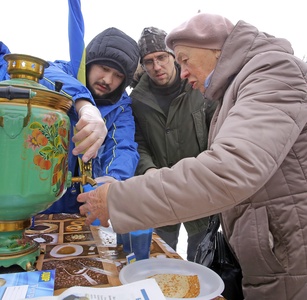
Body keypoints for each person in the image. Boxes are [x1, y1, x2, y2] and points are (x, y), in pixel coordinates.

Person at [77, 13, 307, 299]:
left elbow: (230, 168)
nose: (181, 71)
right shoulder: (230, 90)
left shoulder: (273, 72)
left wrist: (117, 198)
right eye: (151, 61)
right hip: (262, 242)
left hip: (287, 248)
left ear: (216, 48)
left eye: (183, 59)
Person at [5, 27, 138, 213]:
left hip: (82, 201)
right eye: (105, 68)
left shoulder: (121, 105)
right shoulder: (59, 73)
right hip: (33, 194)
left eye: (118, 76)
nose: (108, 79)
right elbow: (46, 75)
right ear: (89, 63)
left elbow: (123, 146)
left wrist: (114, 180)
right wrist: (85, 105)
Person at [130, 27, 216, 261]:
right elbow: (137, 141)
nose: (156, 66)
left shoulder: (199, 86)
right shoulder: (137, 100)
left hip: (200, 187)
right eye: (148, 61)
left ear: (173, 57)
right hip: (160, 190)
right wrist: (148, 169)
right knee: (161, 254)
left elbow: (217, 128)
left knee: (201, 256)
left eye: (161, 57)